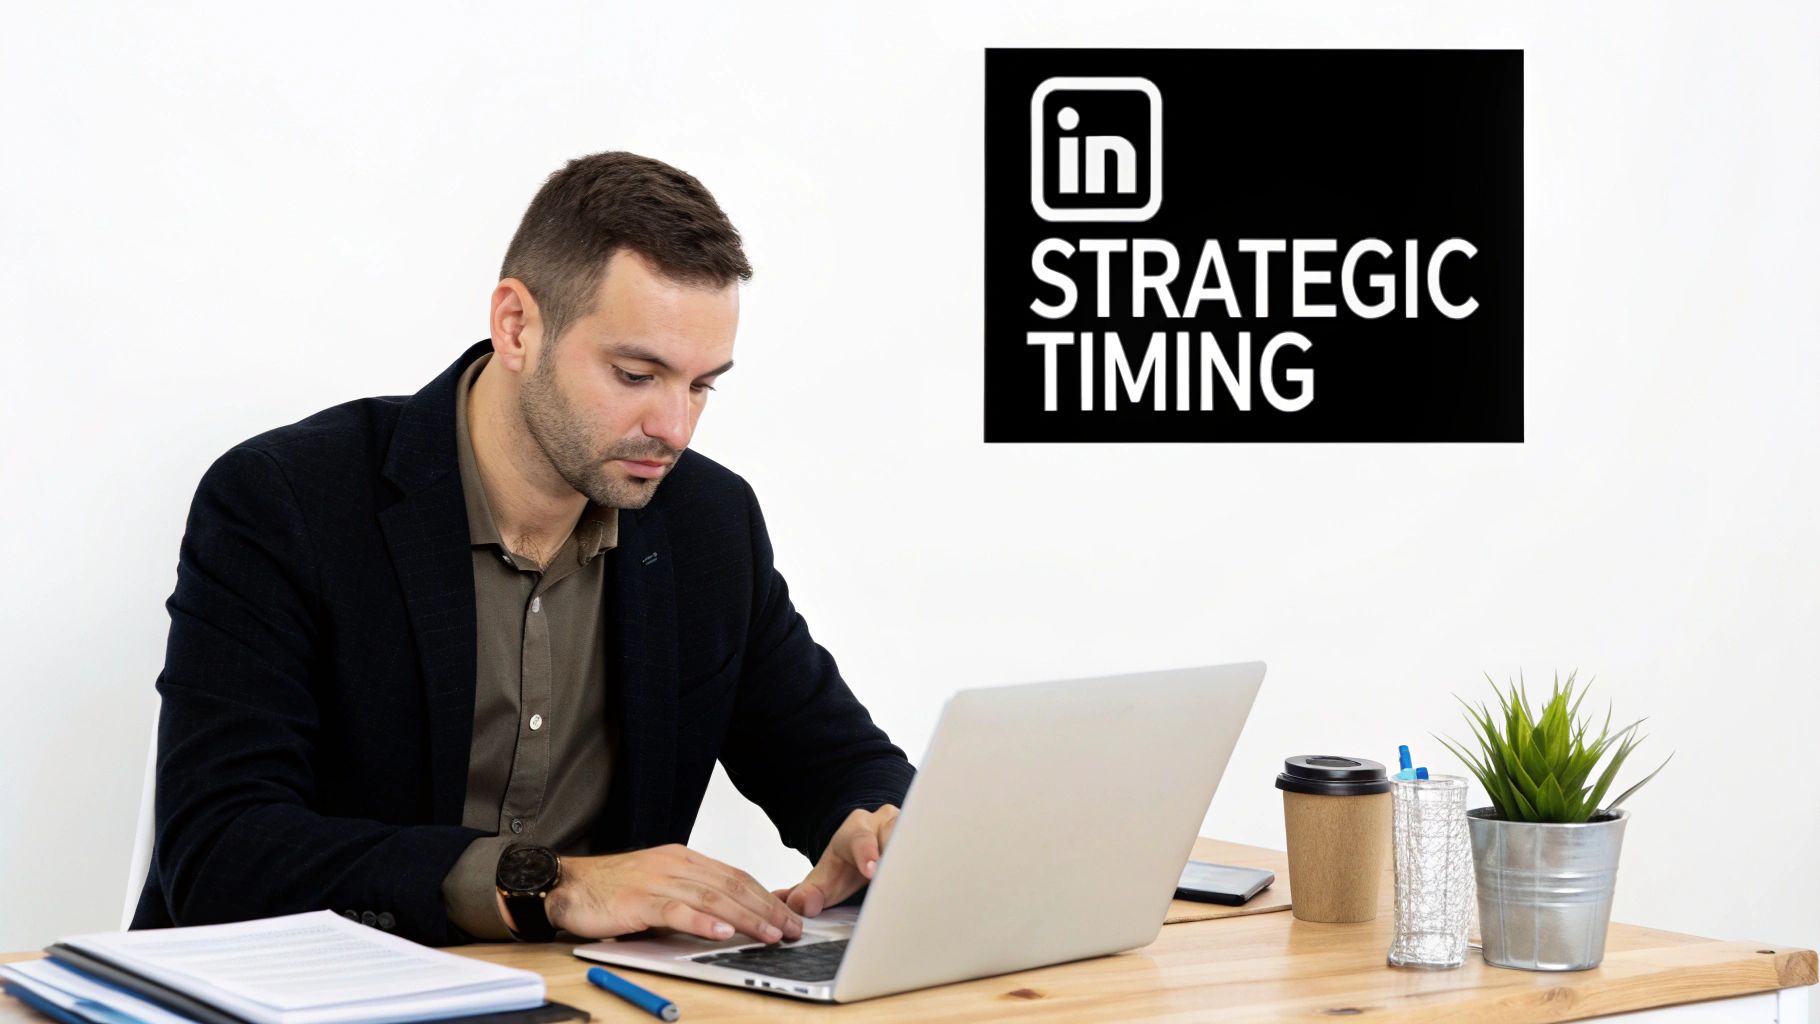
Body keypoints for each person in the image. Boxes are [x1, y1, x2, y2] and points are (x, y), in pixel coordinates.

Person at [131, 151, 916, 948]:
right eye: (636, 373)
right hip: (309, 992)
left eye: (701, 385)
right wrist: (551, 884)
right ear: (516, 326)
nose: (675, 429)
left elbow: (837, 760)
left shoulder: (707, 523)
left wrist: (884, 834)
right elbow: (219, 853)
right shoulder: (286, 501)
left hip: (587, 997)